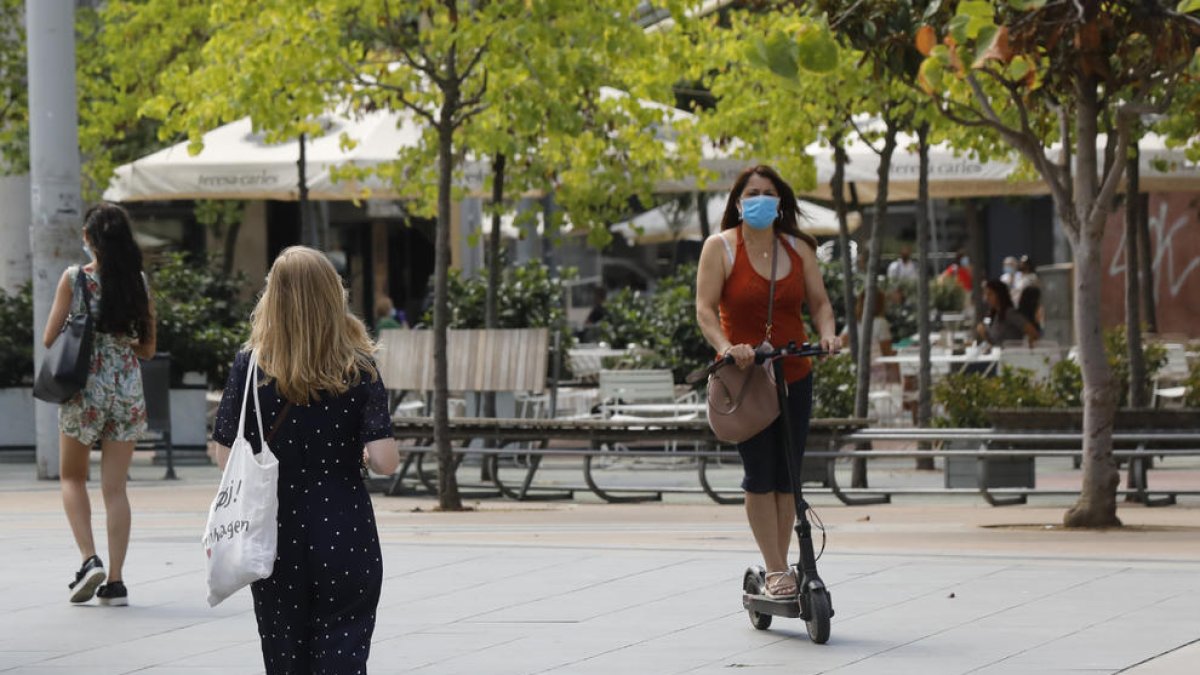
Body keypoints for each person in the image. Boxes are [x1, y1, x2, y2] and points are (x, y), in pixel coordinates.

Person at [211, 247, 400, 673]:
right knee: (344, 645)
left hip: (273, 532)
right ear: (334, 295)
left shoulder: (250, 365)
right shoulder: (359, 367)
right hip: (344, 524)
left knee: (284, 653)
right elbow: (385, 460)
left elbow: (225, 456)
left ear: (272, 297)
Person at [695, 165, 838, 600]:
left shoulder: (799, 247)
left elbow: (820, 303)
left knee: (788, 475)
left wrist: (828, 335)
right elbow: (704, 310)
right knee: (760, 473)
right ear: (739, 203)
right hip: (746, 380)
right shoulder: (720, 247)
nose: (760, 199)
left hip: (793, 372)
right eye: (752, 193)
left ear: (780, 202)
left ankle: (782, 565)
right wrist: (727, 347)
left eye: (768, 193)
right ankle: (776, 568)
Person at [44, 203, 156, 607]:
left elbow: (50, 338)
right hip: (126, 390)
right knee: (115, 489)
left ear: (89, 238)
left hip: (84, 390)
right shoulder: (138, 283)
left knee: (72, 477)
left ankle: (89, 559)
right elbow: (148, 349)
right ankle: (116, 582)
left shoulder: (75, 279)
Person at [840, 288, 896, 383]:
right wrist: (895, 377)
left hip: (853, 372)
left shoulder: (852, 324)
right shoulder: (881, 323)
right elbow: (886, 354)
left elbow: (841, 345)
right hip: (876, 372)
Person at [976, 279, 1039, 347]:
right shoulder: (993, 314)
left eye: (990, 294)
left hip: (1011, 352)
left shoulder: (1009, 313)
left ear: (999, 295)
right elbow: (994, 341)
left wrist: (1027, 349)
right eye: (986, 294)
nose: (987, 298)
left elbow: (1032, 332)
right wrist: (984, 333)